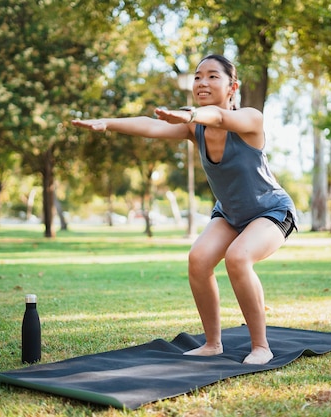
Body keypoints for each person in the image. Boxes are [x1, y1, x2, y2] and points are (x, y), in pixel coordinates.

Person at [72, 54, 297, 365]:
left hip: (270, 210)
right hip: (231, 213)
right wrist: (107, 123)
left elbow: (219, 119)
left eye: (212, 76)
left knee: (238, 257)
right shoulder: (195, 128)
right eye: (197, 76)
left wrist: (191, 115)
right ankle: (212, 343)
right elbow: (150, 126)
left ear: (233, 86)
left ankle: (261, 346)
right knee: (199, 259)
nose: (202, 82)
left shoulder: (250, 119)